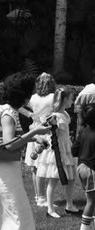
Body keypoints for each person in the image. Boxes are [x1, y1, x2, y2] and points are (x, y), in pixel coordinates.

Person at [0, 72, 51, 230]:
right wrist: (35, 132)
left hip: (5, 168)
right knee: (16, 216)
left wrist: (34, 135)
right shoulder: (8, 114)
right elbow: (9, 145)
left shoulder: (6, 109)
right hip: (6, 172)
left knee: (4, 216)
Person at [36, 86, 80, 218]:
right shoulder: (54, 116)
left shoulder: (65, 114)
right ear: (64, 99)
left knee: (71, 178)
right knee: (54, 179)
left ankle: (70, 204)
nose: (73, 101)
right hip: (57, 150)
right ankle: (50, 208)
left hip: (66, 147)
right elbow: (45, 129)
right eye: (71, 98)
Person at [23, 72, 56, 207]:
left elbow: (18, 106)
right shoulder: (53, 97)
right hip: (46, 132)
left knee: (35, 167)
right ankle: (42, 198)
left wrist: (30, 114)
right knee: (42, 167)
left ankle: (38, 196)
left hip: (33, 132)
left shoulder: (32, 98)